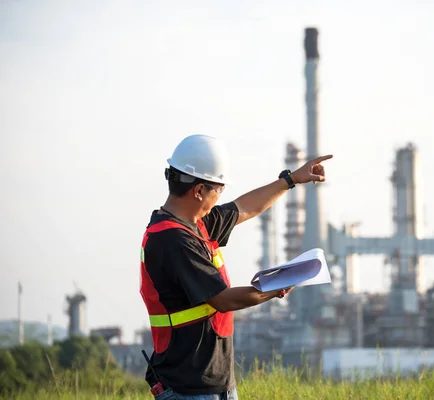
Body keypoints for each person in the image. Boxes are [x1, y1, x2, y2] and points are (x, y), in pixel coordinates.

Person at [139, 134, 332, 399]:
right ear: (198, 191)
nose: (219, 198)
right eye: (218, 190)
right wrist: (278, 286)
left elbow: (245, 207)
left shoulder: (198, 224)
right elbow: (223, 300)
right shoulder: (172, 240)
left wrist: (291, 179)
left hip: (214, 384)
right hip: (190, 387)